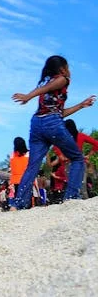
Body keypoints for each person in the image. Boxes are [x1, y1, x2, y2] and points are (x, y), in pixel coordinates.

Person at [11, 55, 95, 209]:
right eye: (67, 68)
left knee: (32, 166)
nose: (69, 71)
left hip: (37, 123)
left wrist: (81, 105)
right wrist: (29, 96)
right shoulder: (62, 79)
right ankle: (71, 197)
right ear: (62, 69)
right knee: (77, 158)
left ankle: (18, 203)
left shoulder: (46, 84)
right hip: (52, 124)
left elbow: (60, 112)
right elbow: (54, 108)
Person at [62, 119, 98, 199]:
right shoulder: (80, 136)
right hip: (80, 161)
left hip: (69, 162)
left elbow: (56, 147)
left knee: (71, 184)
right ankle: (82, 203)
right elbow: (96, 143)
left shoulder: (65, 138)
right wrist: (89, 155)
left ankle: (70, 201)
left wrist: (61, 156)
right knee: (82, 184)